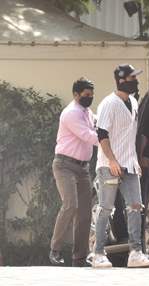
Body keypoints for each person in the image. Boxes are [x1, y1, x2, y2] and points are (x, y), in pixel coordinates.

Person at [93, 64, 149, 268]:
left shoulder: (134, 103)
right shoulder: (108, 104)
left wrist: (138, 158)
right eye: (132, 78)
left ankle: (135, 252)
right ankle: (99, 253)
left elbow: (133, 134)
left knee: (135, 206)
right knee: (106, 209)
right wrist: (111, 160)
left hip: (130, 164)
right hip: (109, 164)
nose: (135, 81)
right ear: (121, 80)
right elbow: (102, 134)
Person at [49, 77, 98, 267]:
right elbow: (88, 135)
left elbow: (96, 124)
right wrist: (106, 138)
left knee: (85, 213)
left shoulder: (87, 111)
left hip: (83, 168)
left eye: (91, 95)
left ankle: (79, 257)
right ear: (76, 94)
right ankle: (55, 249)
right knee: (70, 205)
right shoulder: (71, 113)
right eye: (86, 95)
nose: (90, 98)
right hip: (64, 165)